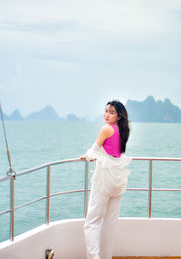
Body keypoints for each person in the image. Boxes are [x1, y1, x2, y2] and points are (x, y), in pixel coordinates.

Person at [80, 100, 131, 259]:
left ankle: (94, 257)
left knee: (92, 222)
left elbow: (94, 150)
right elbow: (114, 152)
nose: (107, 114)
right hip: (118, 178)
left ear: (118, 116)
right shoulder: (123, 131)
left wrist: (86, 156)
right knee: (110, 222)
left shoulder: (106, 129)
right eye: (106, 111)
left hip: (105, 178)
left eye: (111, 112)